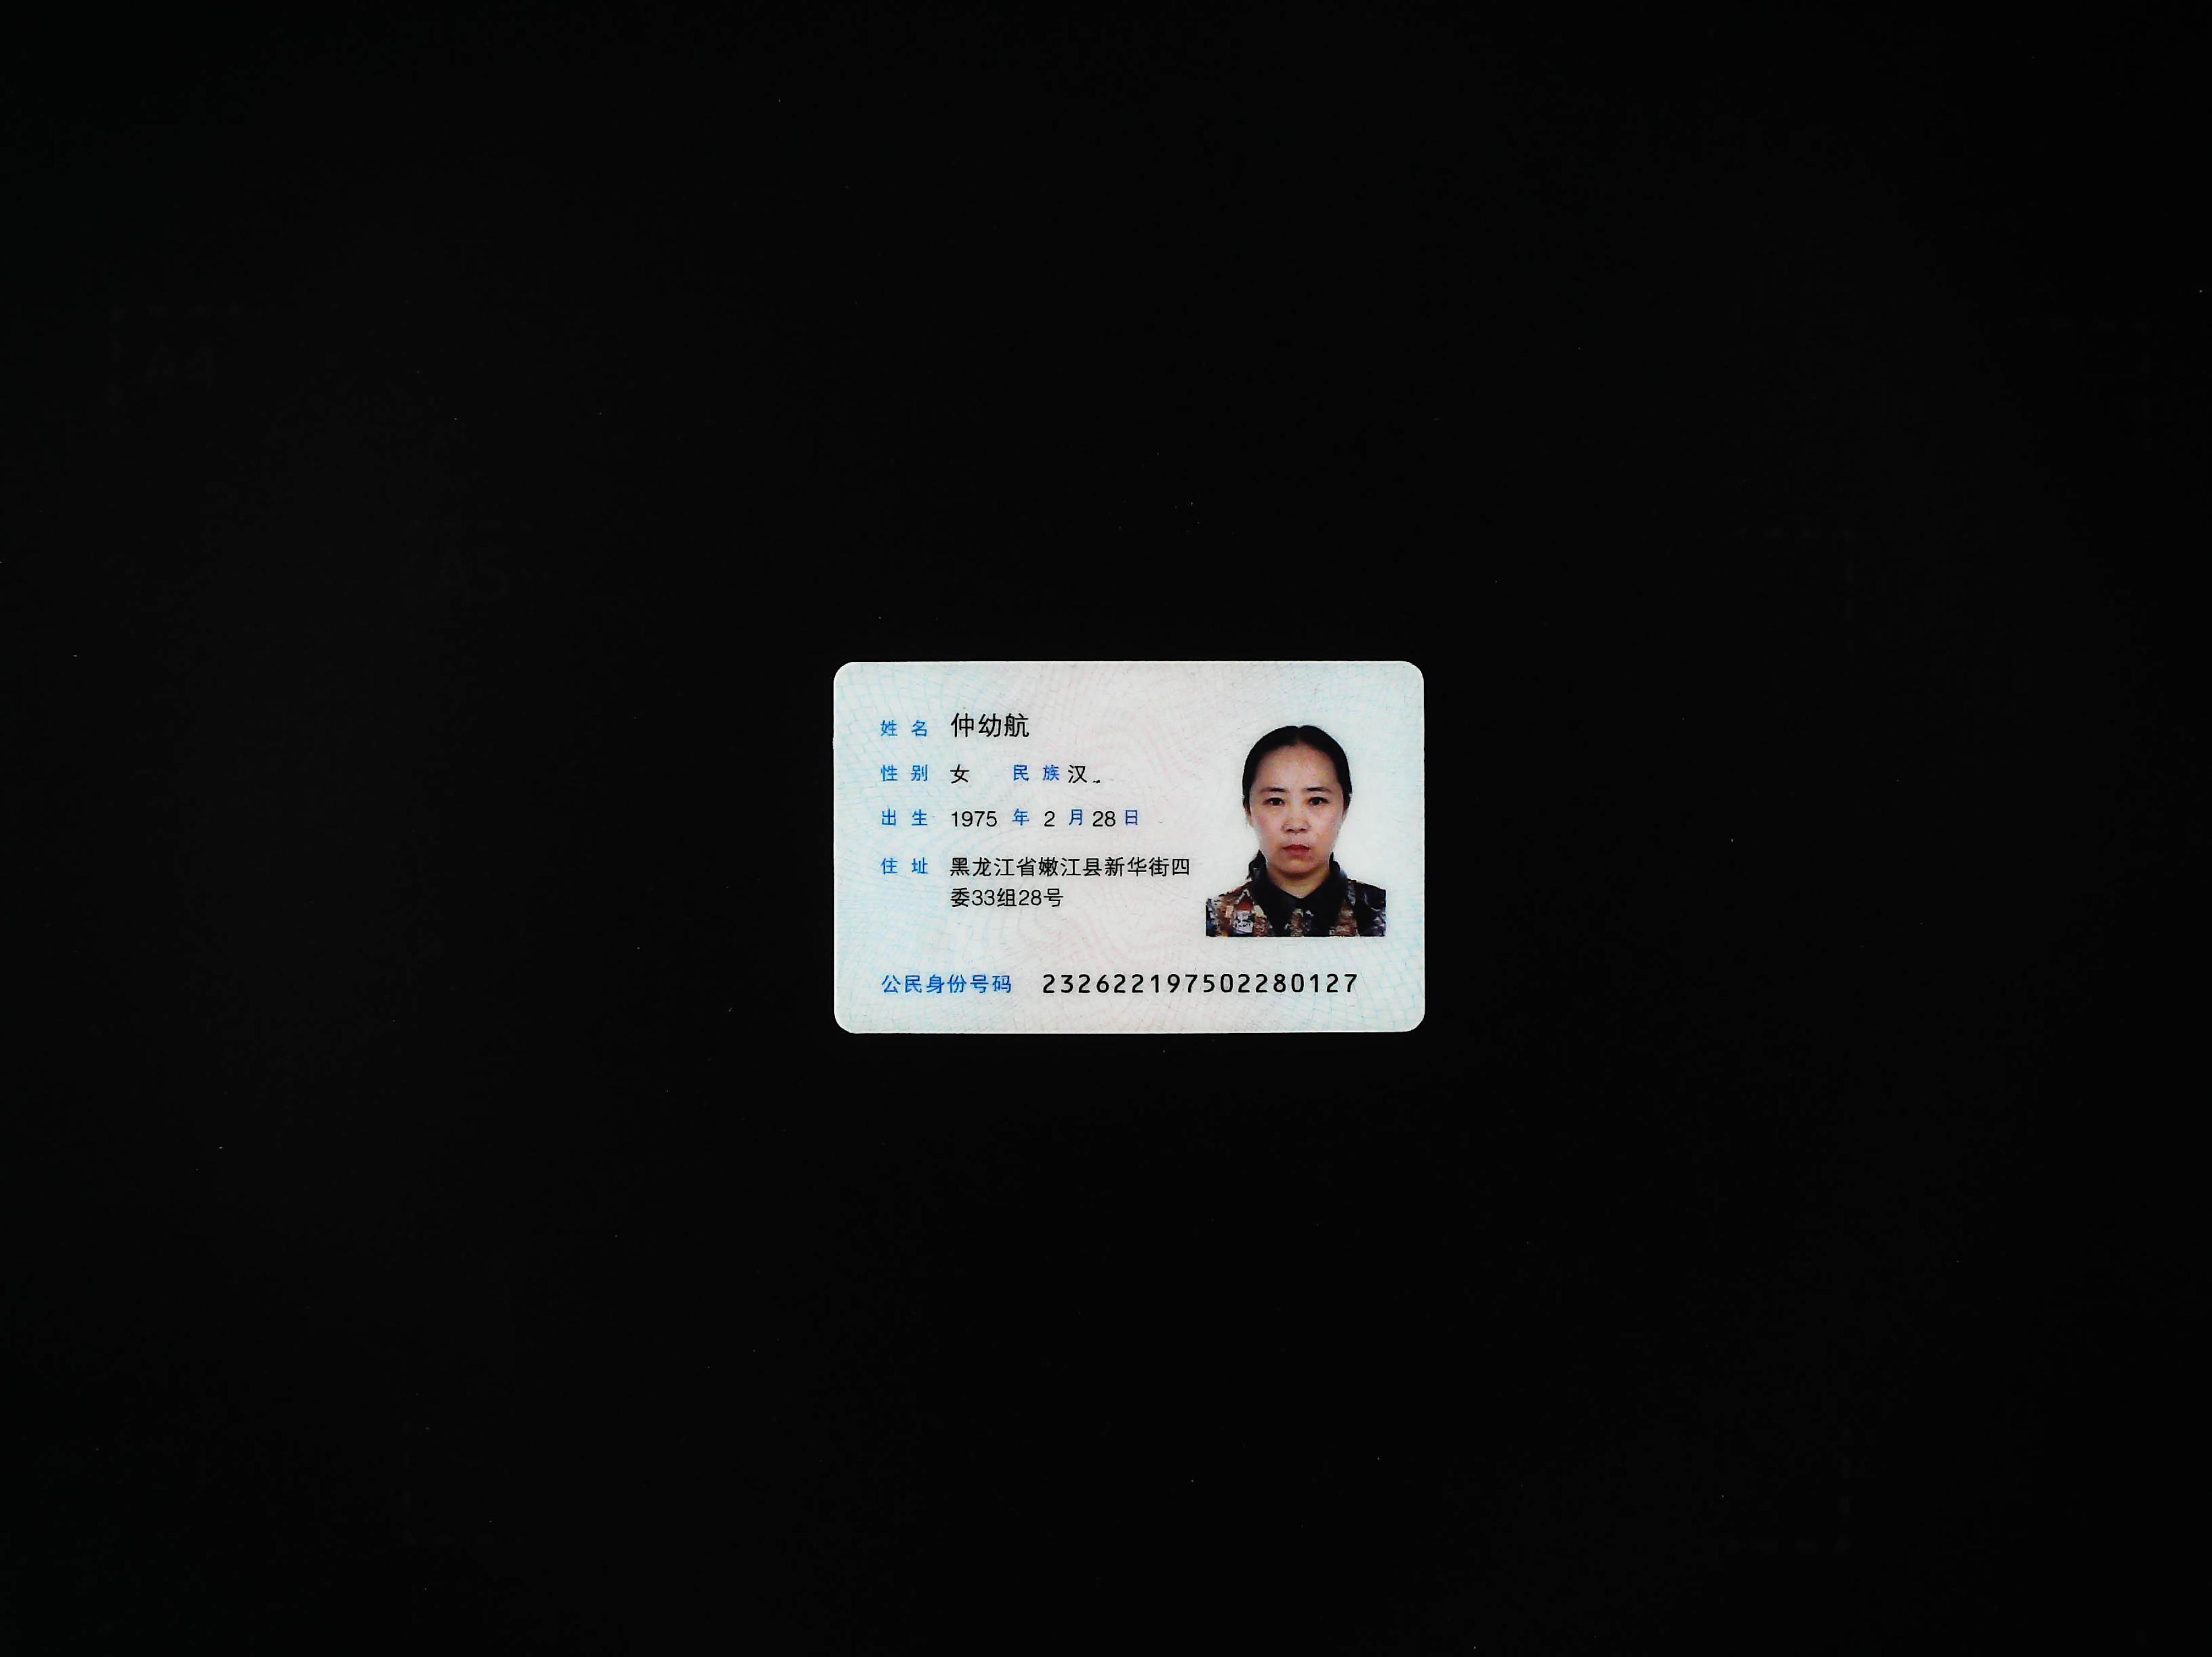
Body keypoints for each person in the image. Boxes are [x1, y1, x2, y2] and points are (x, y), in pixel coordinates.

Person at [1206, 725, 1385, 937]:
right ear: (1249, 810)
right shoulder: (1213, 921)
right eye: (1276, 801)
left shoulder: (1386, 915)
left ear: (1344, 808)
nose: (1296, 824)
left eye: (1316, 801)